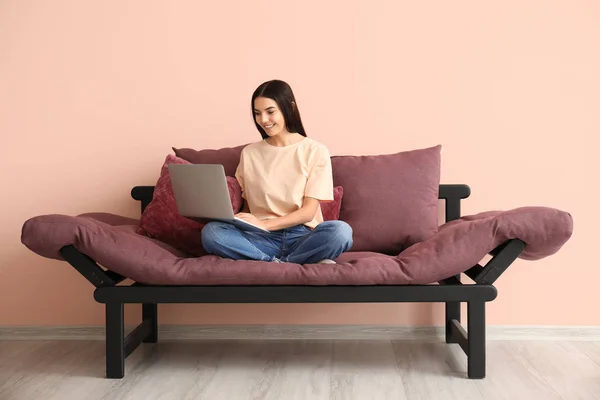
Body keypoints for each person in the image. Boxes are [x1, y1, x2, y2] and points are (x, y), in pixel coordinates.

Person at [201, 79, 353, 264]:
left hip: (302, 235)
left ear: (290, 107)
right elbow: (249, 206)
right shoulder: (249, 153)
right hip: (260, 237)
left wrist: (265, 224)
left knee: (341, 232)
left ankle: (270, 263)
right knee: (212, 232)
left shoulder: (315, 151)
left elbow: (308, 212)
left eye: (270, 111)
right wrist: (241, 219)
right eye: (257, 113)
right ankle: (282, 264)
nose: (263, 120)